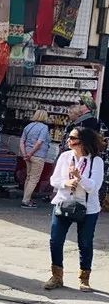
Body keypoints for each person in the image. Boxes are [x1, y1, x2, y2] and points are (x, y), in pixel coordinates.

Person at [44, 127, 105, 292]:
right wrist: (66, 183)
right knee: (55, 240)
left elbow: (94, 187)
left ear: (82, 142)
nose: (68, 141)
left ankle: (84, 279)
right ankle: (56, 276)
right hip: (64, 203)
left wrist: (79, 177)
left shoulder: (95, 161)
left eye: (72, 138)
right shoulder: (65, 157)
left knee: (85, 243)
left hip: (88, 208)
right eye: (69, 138)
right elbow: (53, 180)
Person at [19, 110, 51, 209]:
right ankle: (26, 200)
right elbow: (39, 142)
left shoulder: (28, 126)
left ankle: (26, 198)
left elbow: (22, 141)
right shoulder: (44, 128)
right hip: (38, 155)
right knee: (33, 179)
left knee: (28, 177)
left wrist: (25, 153)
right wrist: (31, 153)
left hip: (28, 154)